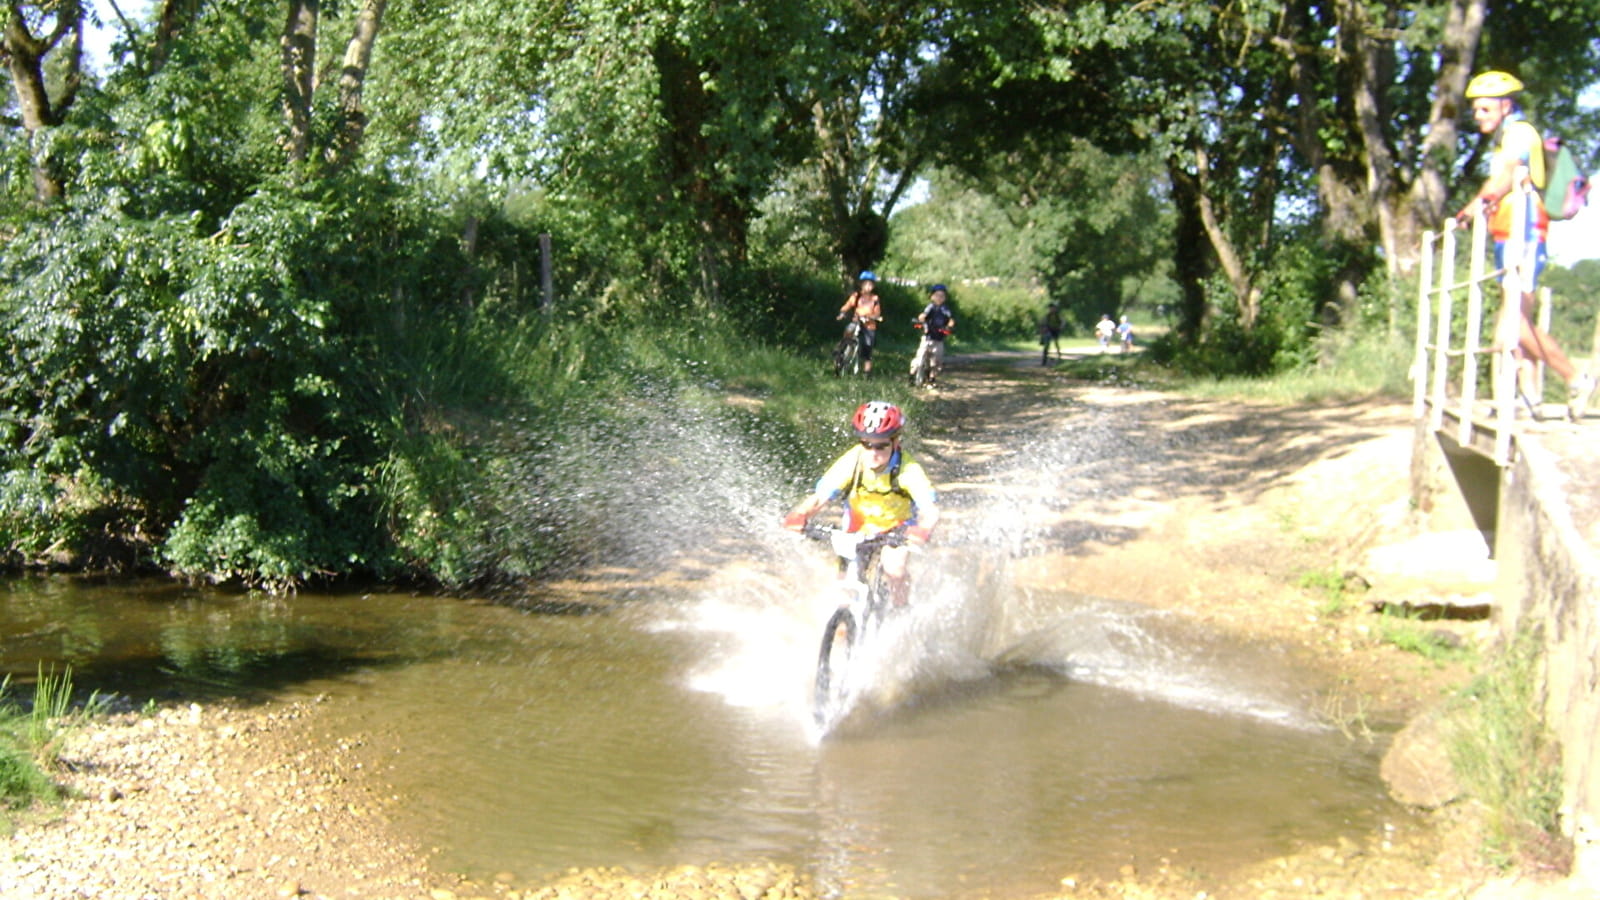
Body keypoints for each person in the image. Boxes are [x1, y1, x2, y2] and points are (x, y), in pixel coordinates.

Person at [1454, 70, 1595, 421]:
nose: (1478, 116)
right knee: (1513, 322)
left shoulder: (1520, 132)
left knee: (1514, 324)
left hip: (1525, 233)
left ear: (1505, 106)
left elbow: (1503, 178)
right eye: (1475, 110)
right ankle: (1529, 397)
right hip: (1508, 234)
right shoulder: (1506, 137)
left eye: (1484, 109)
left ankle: (1576, 377)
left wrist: (1475, 206)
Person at [783, 401, 939, 608]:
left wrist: (924, 528)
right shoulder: (853, 460)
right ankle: (842, 627)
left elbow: (929, 509)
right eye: (867, 444)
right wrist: (800, 514)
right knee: (843, 589)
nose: (873, 452)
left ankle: (902, 610)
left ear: (895, 441)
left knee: (895, 569)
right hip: (857, 528)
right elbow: (820, 497)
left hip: (896, 528)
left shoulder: (908, 469)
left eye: (881, 445)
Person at [836, 270, 884, 375]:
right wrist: (842, 312)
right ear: (861, 284)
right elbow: (848, 305)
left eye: (870, 284)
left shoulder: (875, 299)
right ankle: (841, 351)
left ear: (873, 286)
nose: (868, 286)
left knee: (867, 346)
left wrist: (872, 317)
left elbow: (877, 313)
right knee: (849, 330)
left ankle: (867, 372)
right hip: (857, 321)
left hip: (869, 325)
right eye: (865, 284)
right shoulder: (856, 296)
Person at [910, 284, 955, 386]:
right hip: (928, 337)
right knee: (920, 358)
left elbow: (951, 320)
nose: (939, 298)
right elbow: (923, 315)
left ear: (945, 298)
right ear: (932, 296)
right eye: (937, 295)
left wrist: (949, 326)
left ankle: (931, 379)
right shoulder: (930, 307)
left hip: (939, 338)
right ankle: (912, 375)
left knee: (936, 361)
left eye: (942, 296)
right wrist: (921, 318)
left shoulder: (945, 309)